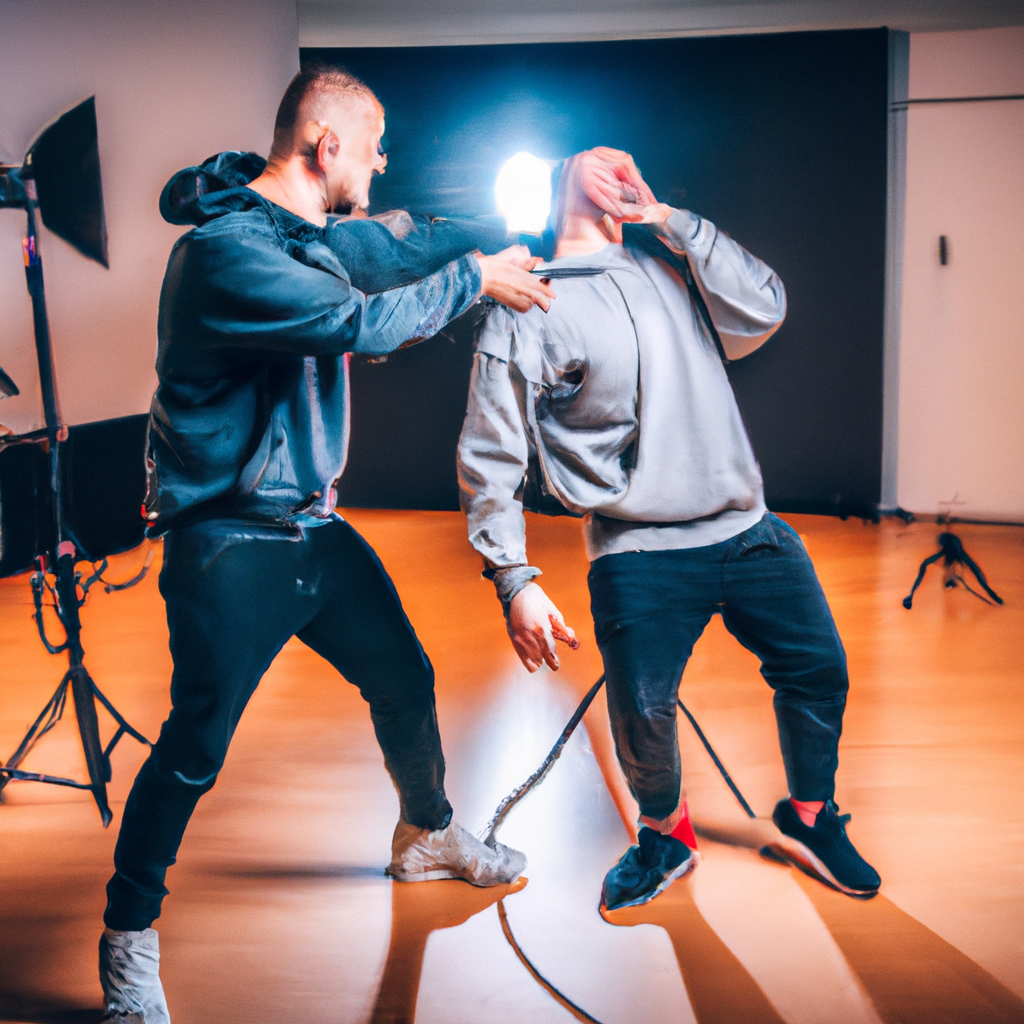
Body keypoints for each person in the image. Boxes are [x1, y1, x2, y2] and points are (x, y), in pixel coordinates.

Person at [98, 67, 555, 1024]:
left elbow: (394, 246)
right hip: (228, 538)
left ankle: (425, 834)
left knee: (402, 672)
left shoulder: (307, 239)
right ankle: (127, 936)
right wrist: (477, 281)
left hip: (311, 524)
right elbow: (358, 316)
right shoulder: (226, 255)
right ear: (325, 146)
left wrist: (492, 233)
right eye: (374, 142)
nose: (384, 160)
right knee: (195, 745)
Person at [457, 147, 881, 916]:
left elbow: (765, 307)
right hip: (638, 549)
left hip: (748, 528)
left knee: (818, 668)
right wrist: (513, 579)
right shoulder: (528, 299)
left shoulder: (668, 266)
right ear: (560, 180)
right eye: (597, 159)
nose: (617, 167)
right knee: (642, 711)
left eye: (626, 163)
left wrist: (673, 222)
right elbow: (491, 453)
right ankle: (666, 832)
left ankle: (810, 817)